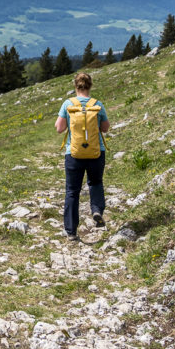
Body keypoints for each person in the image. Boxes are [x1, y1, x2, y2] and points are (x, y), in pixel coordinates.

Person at [55, 72, 110, 242]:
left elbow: (59, 128)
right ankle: (96, 210)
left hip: (74, 153)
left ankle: (71, 231)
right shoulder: (97, 104)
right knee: (95, 182)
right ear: (90, 85)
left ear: (76, 86)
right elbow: (105, 128)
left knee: (72, 191)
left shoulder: (68, 104)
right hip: (96, 152)